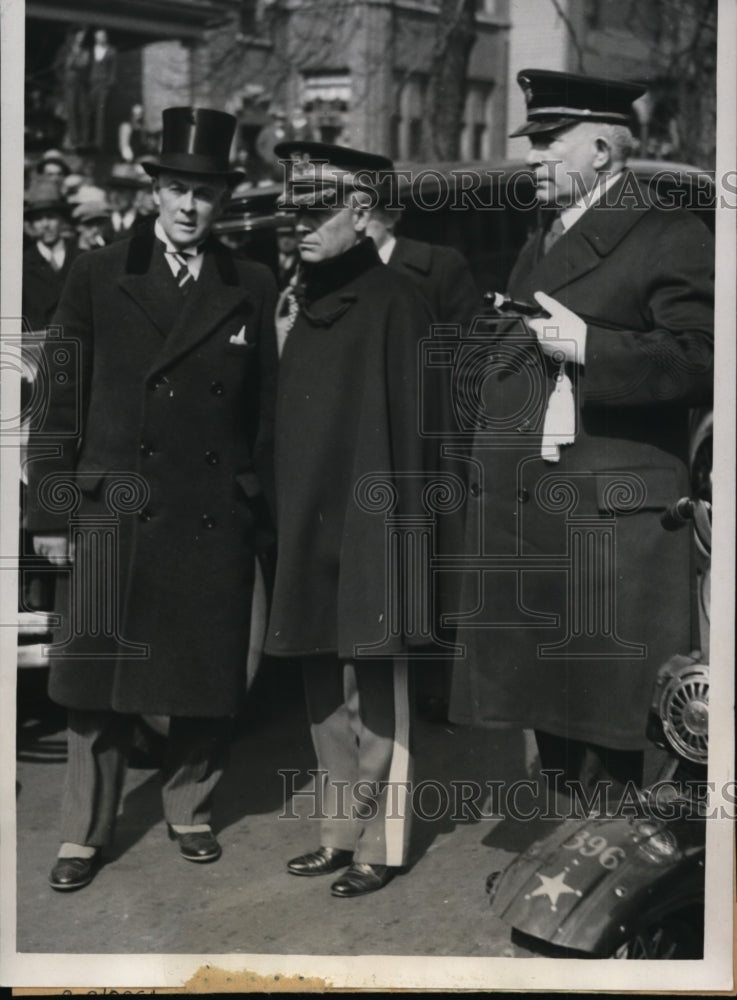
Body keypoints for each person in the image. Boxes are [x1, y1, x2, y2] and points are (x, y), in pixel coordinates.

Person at [26, 106, 278, 891]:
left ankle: (189, 809)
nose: (189, 206)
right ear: (154, 191)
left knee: (202, 672)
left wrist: (257, 505)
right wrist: (52, 511)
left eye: (204, 193)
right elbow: (58, 399)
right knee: (96, 683)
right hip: (116, 506)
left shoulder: (250, 283)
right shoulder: (99, 272)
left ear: (222, 199)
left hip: (211, 509)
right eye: (177, 189)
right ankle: (82, 832)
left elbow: (265, 414)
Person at [449, 70, 714, 808]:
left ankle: (612, 866)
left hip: (611, 530)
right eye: (532, 141)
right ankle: (573, 855)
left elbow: (705, 358)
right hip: (543, 518)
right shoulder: (544, 238)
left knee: (613, 741)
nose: (532, 156)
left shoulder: (668, 232)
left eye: (547, 140)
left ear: (600, 150)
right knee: (559, 735)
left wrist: (592, 347)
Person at [265, 141, 440, 897]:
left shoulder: (398, 300)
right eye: (293, 215)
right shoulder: (299, 303)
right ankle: (339, 833)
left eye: (317, 213)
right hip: (309, 517)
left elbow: (421, 435)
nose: (300, 228)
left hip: (377, 520)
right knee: (321, 681)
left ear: (361, 212)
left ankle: (383, 842)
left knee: (379, 681)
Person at [22, 177, 79, 331]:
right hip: (36, 342)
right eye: (39, 219)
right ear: (31, 225)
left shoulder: (82, 258)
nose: (45, 224)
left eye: (51, 217)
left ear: (62, 220)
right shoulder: (22, 264)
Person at [88, 29, 117, 150]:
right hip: (91, 85)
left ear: (106, 37)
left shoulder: (111, 51)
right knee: (89, 112)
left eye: (103, 36)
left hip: (103, 85)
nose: (101, 39)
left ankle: (99, 143)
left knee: (101, 113)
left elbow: (113, 70)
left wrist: (108, 84)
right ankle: (87, 140)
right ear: (95, 38)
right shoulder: (90, 51)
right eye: (98, 37)